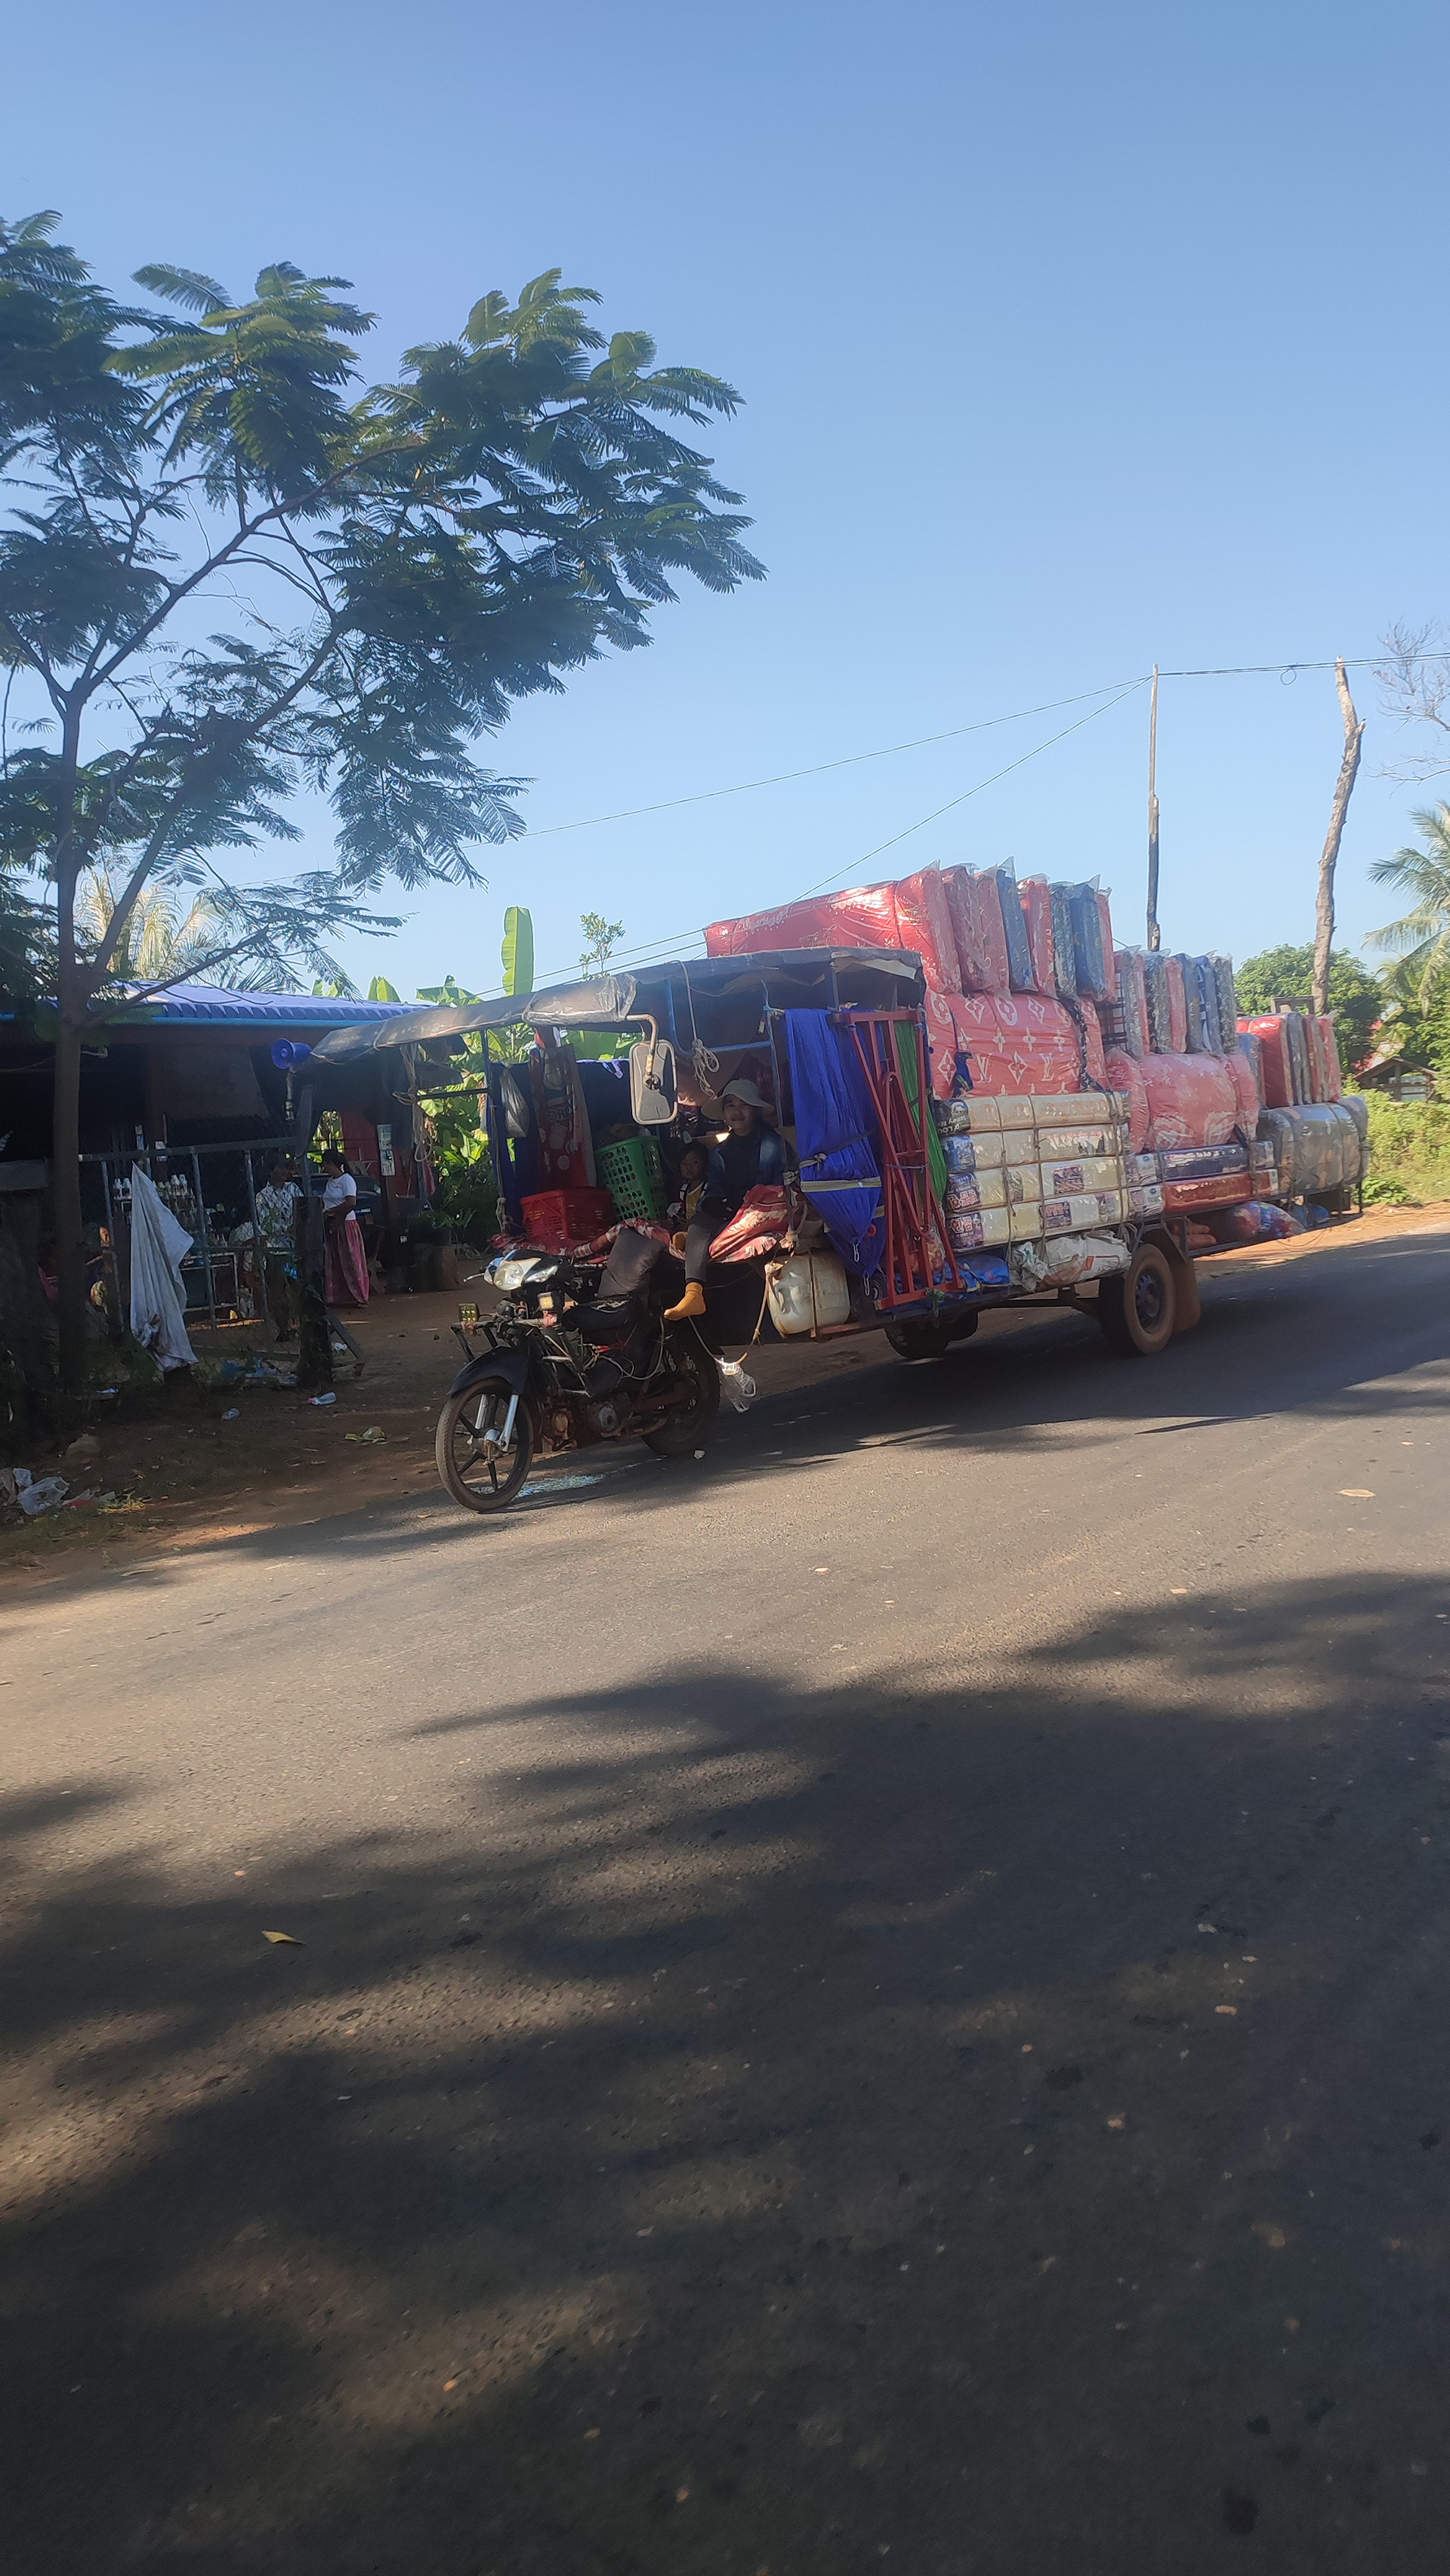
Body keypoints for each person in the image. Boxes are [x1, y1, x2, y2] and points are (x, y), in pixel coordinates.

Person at [665, 1077, 786, 1323]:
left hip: (764, 1215)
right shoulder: (720, 1152)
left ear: (756, 1110)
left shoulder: (773, 1145)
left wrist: (750, 1205)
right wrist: (718, 1204)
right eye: (731, 1105)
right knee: (700, 1221)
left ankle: (781, 1301)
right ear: (723, 1112)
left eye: (744, 1105)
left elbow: (782, 1190)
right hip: (732, 1215)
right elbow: (714, 1192)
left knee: (742, 1228)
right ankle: (693, 1293)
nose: (737, 1111)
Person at [254, 1156, 302, 1340]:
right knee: (278, 1292)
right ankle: (284, 1329)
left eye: (285, 1168)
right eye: (280, 1168)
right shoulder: (263, 1196)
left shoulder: (293, 1189)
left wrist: (296, 1226)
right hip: (276, 1251)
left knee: (299, 1286)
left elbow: (301, 1209)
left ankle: (306, 1325)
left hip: (294, 1248)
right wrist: (288, 1227)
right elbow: (267, 1224)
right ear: (270, 1171)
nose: (284, 1172)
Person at [319, 1147, 370, 1307]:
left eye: (325, 1164)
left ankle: (359, 1295)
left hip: (346, 1224)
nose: (323, 1167)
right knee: (335, 1260)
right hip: (332, 1224)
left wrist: (332, 1211)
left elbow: (351, 1202)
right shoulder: (330, 1182)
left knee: (351, 1260)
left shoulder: (347, 1180)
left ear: (331, 1163)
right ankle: (340, 1295)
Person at [665, 1140, 711, 1236]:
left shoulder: (708, 1188)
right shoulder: (684, 1190)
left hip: (704, 1233)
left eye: (695, 1162)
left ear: (705, 1163)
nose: (689, 1167)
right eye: (684, 1163)